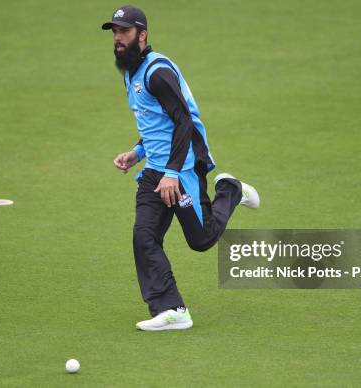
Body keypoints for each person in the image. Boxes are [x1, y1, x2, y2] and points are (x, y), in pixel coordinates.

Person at [102, 5, 260, 331]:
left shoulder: (157, 73)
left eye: (124, 32)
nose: (118, 38)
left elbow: (182, 121)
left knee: (201, 240)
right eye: (115, 32)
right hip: (155, 172)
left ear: (142, 35)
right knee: (144, 237)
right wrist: (137, 152)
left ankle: (230, 190)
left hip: (183, 165)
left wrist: (172, 172)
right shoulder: (131, 70)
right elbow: (156, 124)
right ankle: (172, 309)